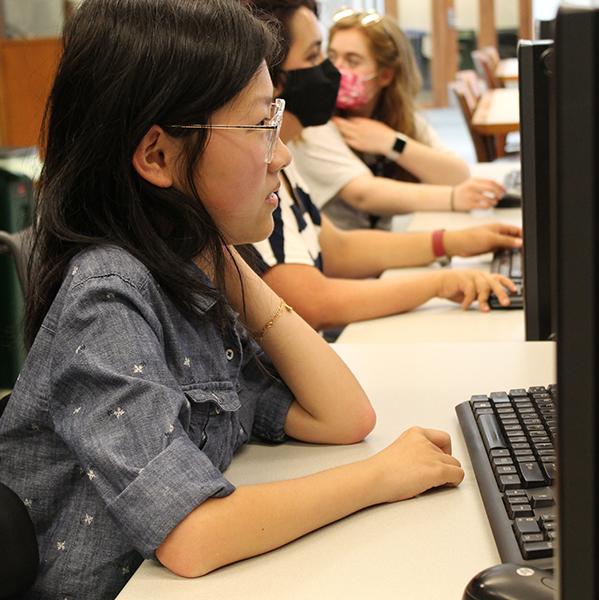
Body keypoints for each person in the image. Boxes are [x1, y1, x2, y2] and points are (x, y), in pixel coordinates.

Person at [0, 1, 466, 598]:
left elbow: (343, 417)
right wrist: (380, 477)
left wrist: (227, 264)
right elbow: (193, 534)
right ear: (158, 156)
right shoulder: (106, 297)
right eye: (259, 126)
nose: (282, 154)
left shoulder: (189, 273)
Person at [247, 0, 521, 330]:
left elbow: (337, 249)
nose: (331, 70)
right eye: (317, 55)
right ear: (272, 75)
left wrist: (453, 241)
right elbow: (313, 302)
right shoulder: (252, 169)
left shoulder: (282, 156)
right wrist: (438, 283)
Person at [288, 6, 506, 231]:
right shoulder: (313, 123)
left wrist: (392, 143)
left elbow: (457, 175)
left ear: (385, 75)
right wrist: (453, 198)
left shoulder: (398, 117)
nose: (336, 69)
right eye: (332, 56)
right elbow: (363, 194)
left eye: (352, 61)